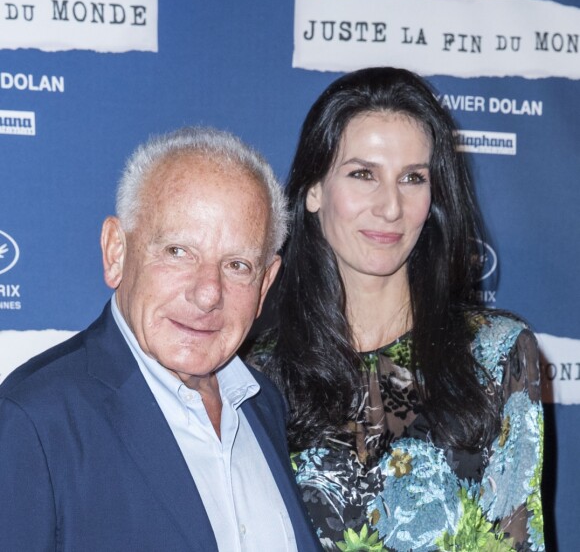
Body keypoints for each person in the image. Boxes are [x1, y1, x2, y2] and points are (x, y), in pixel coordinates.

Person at [248, 68, 544, 551]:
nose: (390, 206)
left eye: (412, 178)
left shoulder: (495, 353)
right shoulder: (256, 369)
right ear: (314, 190)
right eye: (363, 174)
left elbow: (516, 539)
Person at [0, 127, 322, 551]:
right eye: (178, 251)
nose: (208, 292)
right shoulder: (35, 419)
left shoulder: (263, 404)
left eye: (238, 265)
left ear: (265, 285)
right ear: (116, 251)